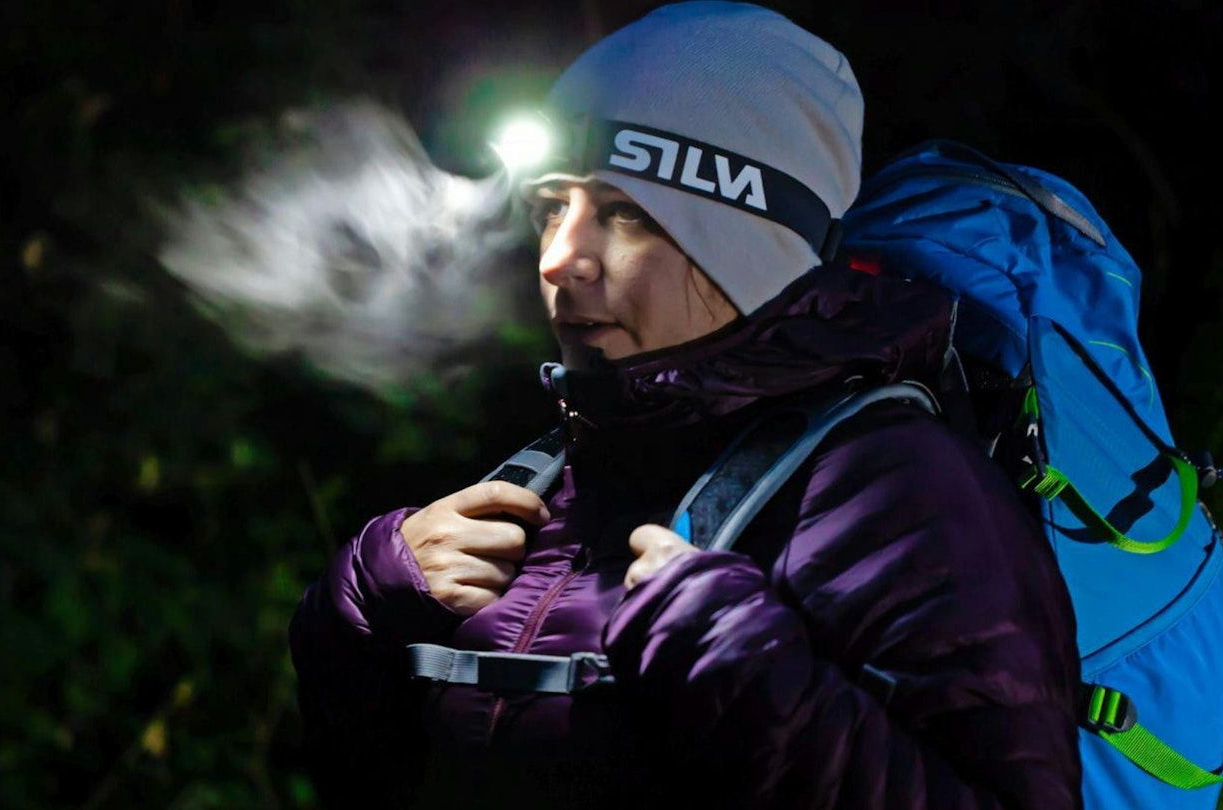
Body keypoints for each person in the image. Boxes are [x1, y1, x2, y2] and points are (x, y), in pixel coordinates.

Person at [289, 3, 1082, 808]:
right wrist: (354, 615)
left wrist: (749, 676)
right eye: (549, 210)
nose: (560, 259)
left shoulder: (896, 491)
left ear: (749, 237)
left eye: (625, 214)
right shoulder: (553, 477)